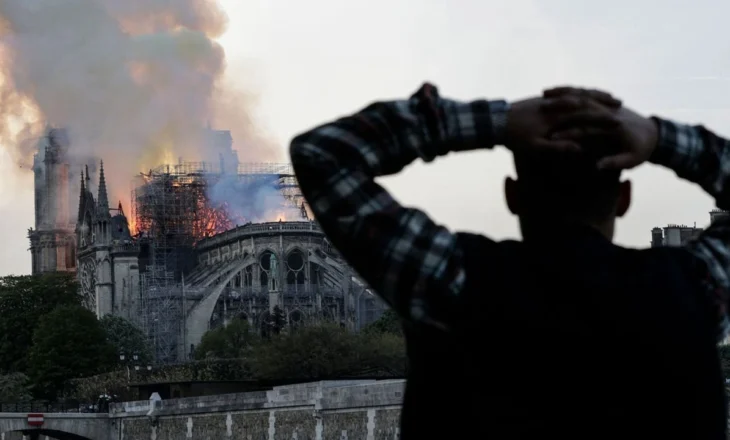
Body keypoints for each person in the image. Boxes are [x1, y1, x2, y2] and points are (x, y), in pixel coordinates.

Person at [289, 84, 730, 439]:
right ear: (625, 199)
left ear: (511, 195)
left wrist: (494, 122)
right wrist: (658, 138)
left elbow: (323, 154)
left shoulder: (451, 279)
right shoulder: (695, 288)